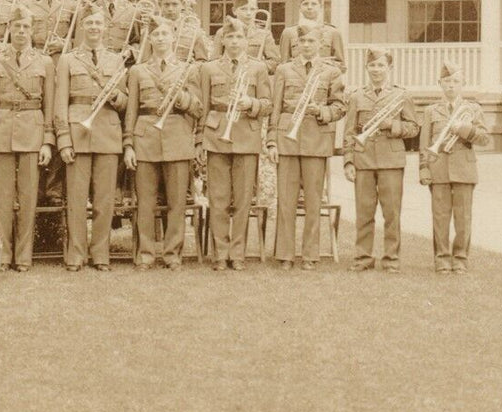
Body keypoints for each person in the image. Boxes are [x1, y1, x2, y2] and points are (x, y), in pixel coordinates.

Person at [124, 16, 204, 270]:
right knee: (145, 203)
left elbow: (199, 109)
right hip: (145, 137)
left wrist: (180, 96)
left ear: (173, 37)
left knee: (176, 203)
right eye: (155, 34)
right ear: (150, 39)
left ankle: (172, 254)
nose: (160, 38)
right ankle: (146, 254)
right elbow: (131, 111)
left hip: (177, 138)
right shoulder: (137, 71)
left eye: (165, 34)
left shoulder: (187, 69)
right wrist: (128, 144)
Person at [0, 6, 54, 272]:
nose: (21, 32)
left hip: (33, 132)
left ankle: (24, 257)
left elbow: (50, 103)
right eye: (17, 27)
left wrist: (47, 140)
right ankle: (2, 254)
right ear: (9, 29)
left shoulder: (45, 62)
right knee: (2, 198)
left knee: (28, 196)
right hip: (1, 131)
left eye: (26, 27)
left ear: (32, 30)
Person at [267, 25, 345, 270]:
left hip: (316, 138)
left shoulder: (330, 72)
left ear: (320, 44)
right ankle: (285, 255)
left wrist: (321, 111)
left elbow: (340, 107)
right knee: (286, 200)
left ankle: (310, 254)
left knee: (313, 201)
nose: (307, 45)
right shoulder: (284, 69)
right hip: (287, 137)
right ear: (297, 44)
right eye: (303, 41)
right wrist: (271, 140)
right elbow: (275, 107)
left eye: (312, 41)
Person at [56, 7, 128, 272]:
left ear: (105, 27)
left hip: (108, 132)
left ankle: (100, 254)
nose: (94, 27)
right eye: (89, 23)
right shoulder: (68, 59)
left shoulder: (116, 60)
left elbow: (125, 102)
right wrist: (63, 138)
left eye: (98, 23)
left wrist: (116, 98)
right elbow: (60, 102)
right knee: (76, 199)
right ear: (82, 27)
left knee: (104, 199)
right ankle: (76, 254)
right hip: (78, 132)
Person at [198, 17, 272, 271]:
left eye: (239, 37)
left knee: (242, 200)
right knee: (218, 198)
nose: (234, 41)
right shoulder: (208, 68)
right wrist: (200, 141)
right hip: (217, 135)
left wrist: (250, 103)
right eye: (229, 37)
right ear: (223, 40)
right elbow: (203, 106)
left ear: (246, 40)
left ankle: (237, 253)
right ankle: (220, 253)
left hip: (246, 135)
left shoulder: (258, 67)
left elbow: (268, 104)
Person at [345, 47, 420, 272]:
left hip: (391, 161)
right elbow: (349, 131)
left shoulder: (402, 95)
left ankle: (391, 260)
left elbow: (414, 127)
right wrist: (348, 160)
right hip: (364, 159)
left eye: (381, 66)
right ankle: (363, 257)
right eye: (372, 65)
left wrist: (392, 126)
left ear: (389, 68)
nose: (376, 70)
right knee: (364, 211)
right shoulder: (357, 96)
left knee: (391, 213)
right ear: (366, 68)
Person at [418, 61, 490, 274]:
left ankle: (460, 259)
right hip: (438, 167)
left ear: (463, 84)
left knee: (463, 218)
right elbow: (424, 144)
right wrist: (424, 168)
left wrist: (465, 129)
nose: (451, 86)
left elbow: (485, 139)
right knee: (439, 217)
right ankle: (441, 259)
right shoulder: (431, 111)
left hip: (464, 170)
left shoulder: (473, 109)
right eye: (447, 81)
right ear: (440, 83)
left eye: (456, 81)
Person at [213, 0, 281, 74]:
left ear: (256, 10)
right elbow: (214, 62)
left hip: (254, 80)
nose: (248, 13)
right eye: (243, 9)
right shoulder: (222, 33)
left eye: (252, 9)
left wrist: (255, 67)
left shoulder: (264, 34)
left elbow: (275, 62)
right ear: (234, 11)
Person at [137, 0, 209, 65]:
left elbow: (202, 61)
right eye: (166, 5)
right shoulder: (150, 30)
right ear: (160, 5)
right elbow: (144, 62)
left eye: (175, 4)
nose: (170, 9)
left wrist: (190, 69)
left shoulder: (193, 32)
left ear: (183, 5)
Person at [279, 0, 346, 66]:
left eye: (314, 4)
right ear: (299, 8)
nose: (309, 7)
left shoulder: (333, 32)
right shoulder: (289, 33)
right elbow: (283, 64)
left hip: (323, 76)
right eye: (305, 4)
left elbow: (341, 66)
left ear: (321, 7)